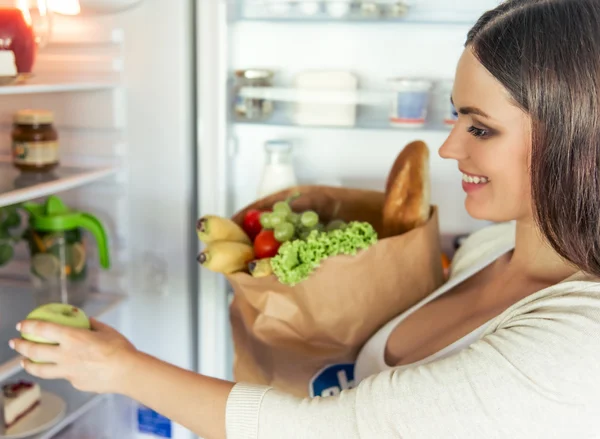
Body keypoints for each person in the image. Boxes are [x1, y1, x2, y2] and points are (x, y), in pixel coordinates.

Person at [9, 0, 600, 437]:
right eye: (454, 117)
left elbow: (327, 432)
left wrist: (121, 369)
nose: (447, 149)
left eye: (479, 126)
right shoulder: (488, 247)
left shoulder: (581, 339)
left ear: (577, 139)